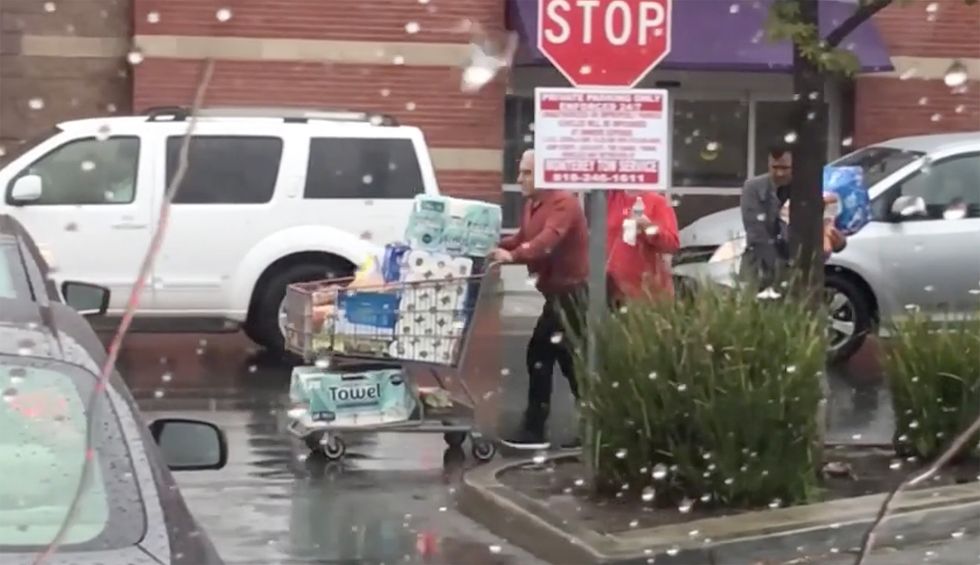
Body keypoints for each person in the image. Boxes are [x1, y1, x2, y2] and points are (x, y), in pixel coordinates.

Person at [488, 149, 588, 449]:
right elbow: (523, 238)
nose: (519, 178)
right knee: (555, 359)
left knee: (560, 359)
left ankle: (541, 430)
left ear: (545, 173)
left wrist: (513, 256)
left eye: (527, 172)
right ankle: (581, 428)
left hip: (574, 294)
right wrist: (490, 246)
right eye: (520, 171)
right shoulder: (533, 205)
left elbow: (546, 242)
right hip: (556, 294)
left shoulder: (563, 203)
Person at [605, 190, 680, 306]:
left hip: (647, 291)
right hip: (612, 289)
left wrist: (648, 228)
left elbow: (672, 244)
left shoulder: (658, 202)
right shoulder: (611, 199)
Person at [740, 145, 793, 288]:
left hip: (793, 263)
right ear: (768, 165)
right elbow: (755, 230)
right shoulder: (753, 187)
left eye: (785, 168)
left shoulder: (803, 188)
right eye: (775, 167)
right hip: (758, 264)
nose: (780, 173)